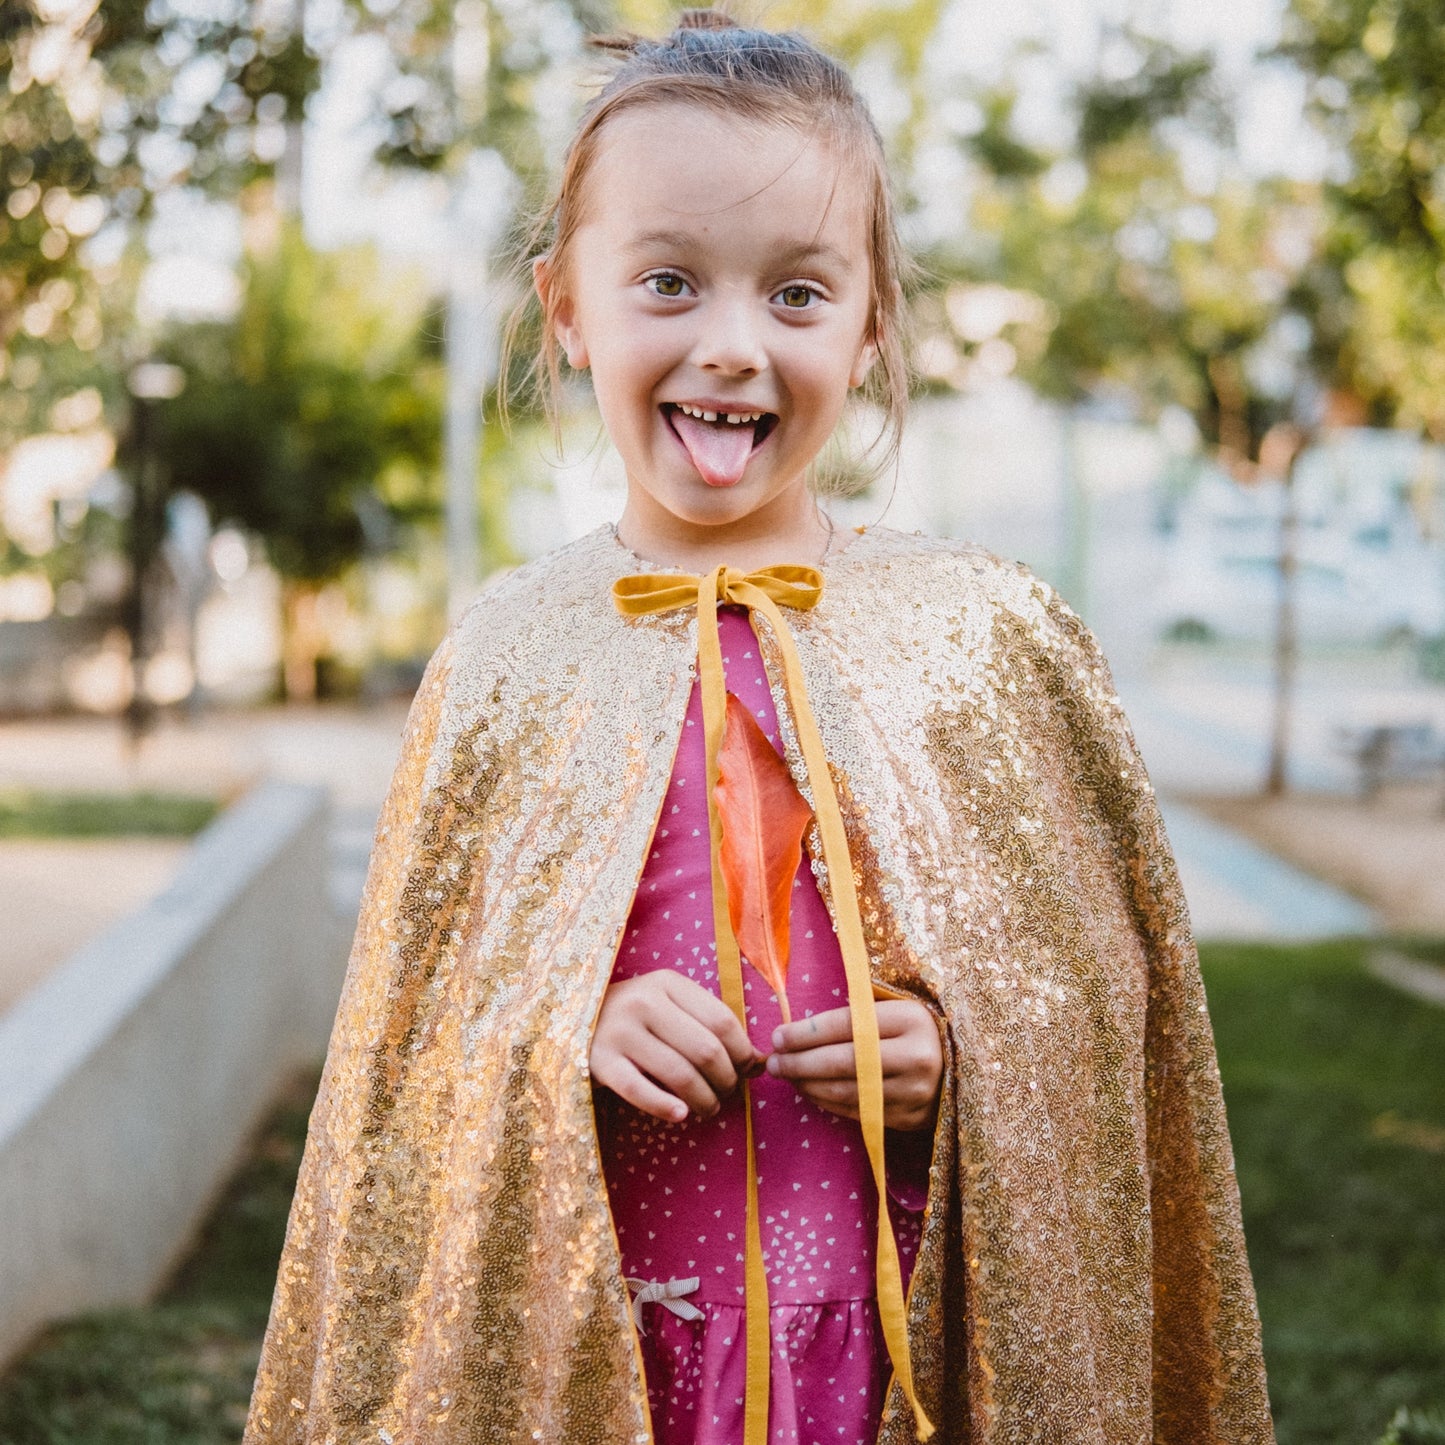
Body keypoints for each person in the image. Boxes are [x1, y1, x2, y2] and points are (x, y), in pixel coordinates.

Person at [244, 12, 1275, 1445]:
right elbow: (408, 1072)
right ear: (566, 308)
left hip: (881, 1355)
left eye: (797, 295)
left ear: (869, 329)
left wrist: (952, 1055)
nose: (730, 346)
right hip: (605, 1365)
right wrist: (567, 1024)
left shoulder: (983, 642)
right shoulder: (505, 655)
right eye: (666, 281)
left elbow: (1112, 1030)